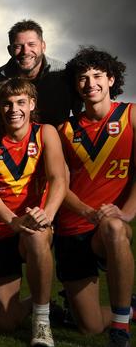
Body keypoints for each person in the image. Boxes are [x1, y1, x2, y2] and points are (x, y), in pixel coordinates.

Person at [0, 78, 66, 347]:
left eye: (21, 102)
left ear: (32, 104)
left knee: (36, 236)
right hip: (1, 230)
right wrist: (11, 220)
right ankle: (42, 303)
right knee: (4, 323)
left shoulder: (45, 132)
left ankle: (42, 321)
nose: (14, 109)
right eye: (7, 104)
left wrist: (47, 214)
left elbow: (59, 178)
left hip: (36, 224)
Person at [56, 47, 134, 347]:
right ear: (76, 85)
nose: (90, 84)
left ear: (111, 79)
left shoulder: (131, 116)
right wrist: (88, 213)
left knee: (114, 228)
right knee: (89, 326)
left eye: (97, 76)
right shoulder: (63, 130)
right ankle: (129, 307)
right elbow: (59, 185)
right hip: (72, 230)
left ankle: (121, 327)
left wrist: (125, 214)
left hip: (109, 227)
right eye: (83, 78)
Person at [0, 19, 78, 133]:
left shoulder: (64, 73)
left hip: (59, 144)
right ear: (10, 50)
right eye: (18, 46)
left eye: (31, 44)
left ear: (43, 46)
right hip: (10, 147)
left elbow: (85, 112)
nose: (25, 51)